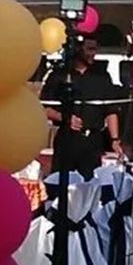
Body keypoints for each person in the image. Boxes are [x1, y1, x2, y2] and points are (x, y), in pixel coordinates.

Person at [41, 35, 125, 180]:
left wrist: (115, 140)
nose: (93, 54)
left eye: (95, 49)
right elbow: (45, 108)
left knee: (90, 185)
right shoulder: (59, 76)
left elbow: (111, 110)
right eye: (89, 49)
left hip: (92, 142)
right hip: (66, 140)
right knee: (60, 183)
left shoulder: (102, 77)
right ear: (78, 49)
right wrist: (66, 118)